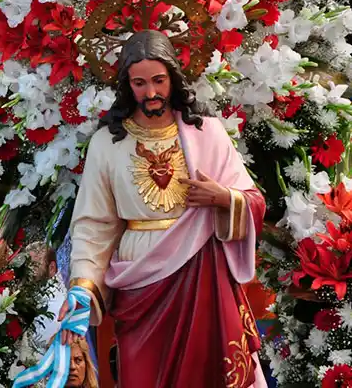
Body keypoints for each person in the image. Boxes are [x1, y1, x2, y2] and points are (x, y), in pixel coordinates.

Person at [60, 30, 265, 386]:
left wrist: (222, 198)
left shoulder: (207, 133)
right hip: (140, 278)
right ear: (127, 85)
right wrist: (82, 288)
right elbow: (94, 225)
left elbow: (254, 200)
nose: (151, 92)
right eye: (140, 83)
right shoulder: (107, 144)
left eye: (159, 80)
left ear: (173, 77)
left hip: (202, 273)